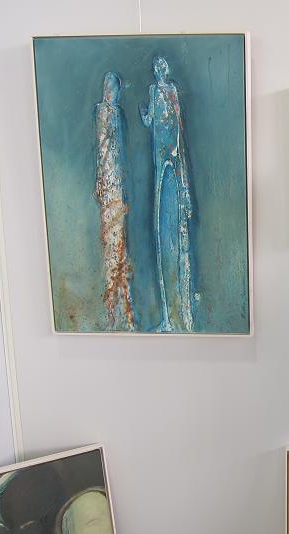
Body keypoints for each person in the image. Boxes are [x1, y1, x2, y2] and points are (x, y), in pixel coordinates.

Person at [140, 56, 195, 332]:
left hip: (172, 156)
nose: (160, 71)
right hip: (161, 158)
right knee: (161, 232)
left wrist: (183, 182)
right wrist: (145, 116)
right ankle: (167, 317)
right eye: (157, 68)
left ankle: (182, 314)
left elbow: (177, 125)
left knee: (177, 234)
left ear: (166, 70)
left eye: (162, 67)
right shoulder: (154, 91)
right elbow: (151, 119)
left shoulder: (171, 90)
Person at [94, 71, 135, 331]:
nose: (113, 94)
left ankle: (124, 309)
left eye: (115, 89)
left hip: (116, 184)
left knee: (119, 242)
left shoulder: (116, 113)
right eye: (110, 88)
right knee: (112, 241)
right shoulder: (103, 111)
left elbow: (117, 149)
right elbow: (103, 147)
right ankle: (113, 310)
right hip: (109, 183)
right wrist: (102, 179)